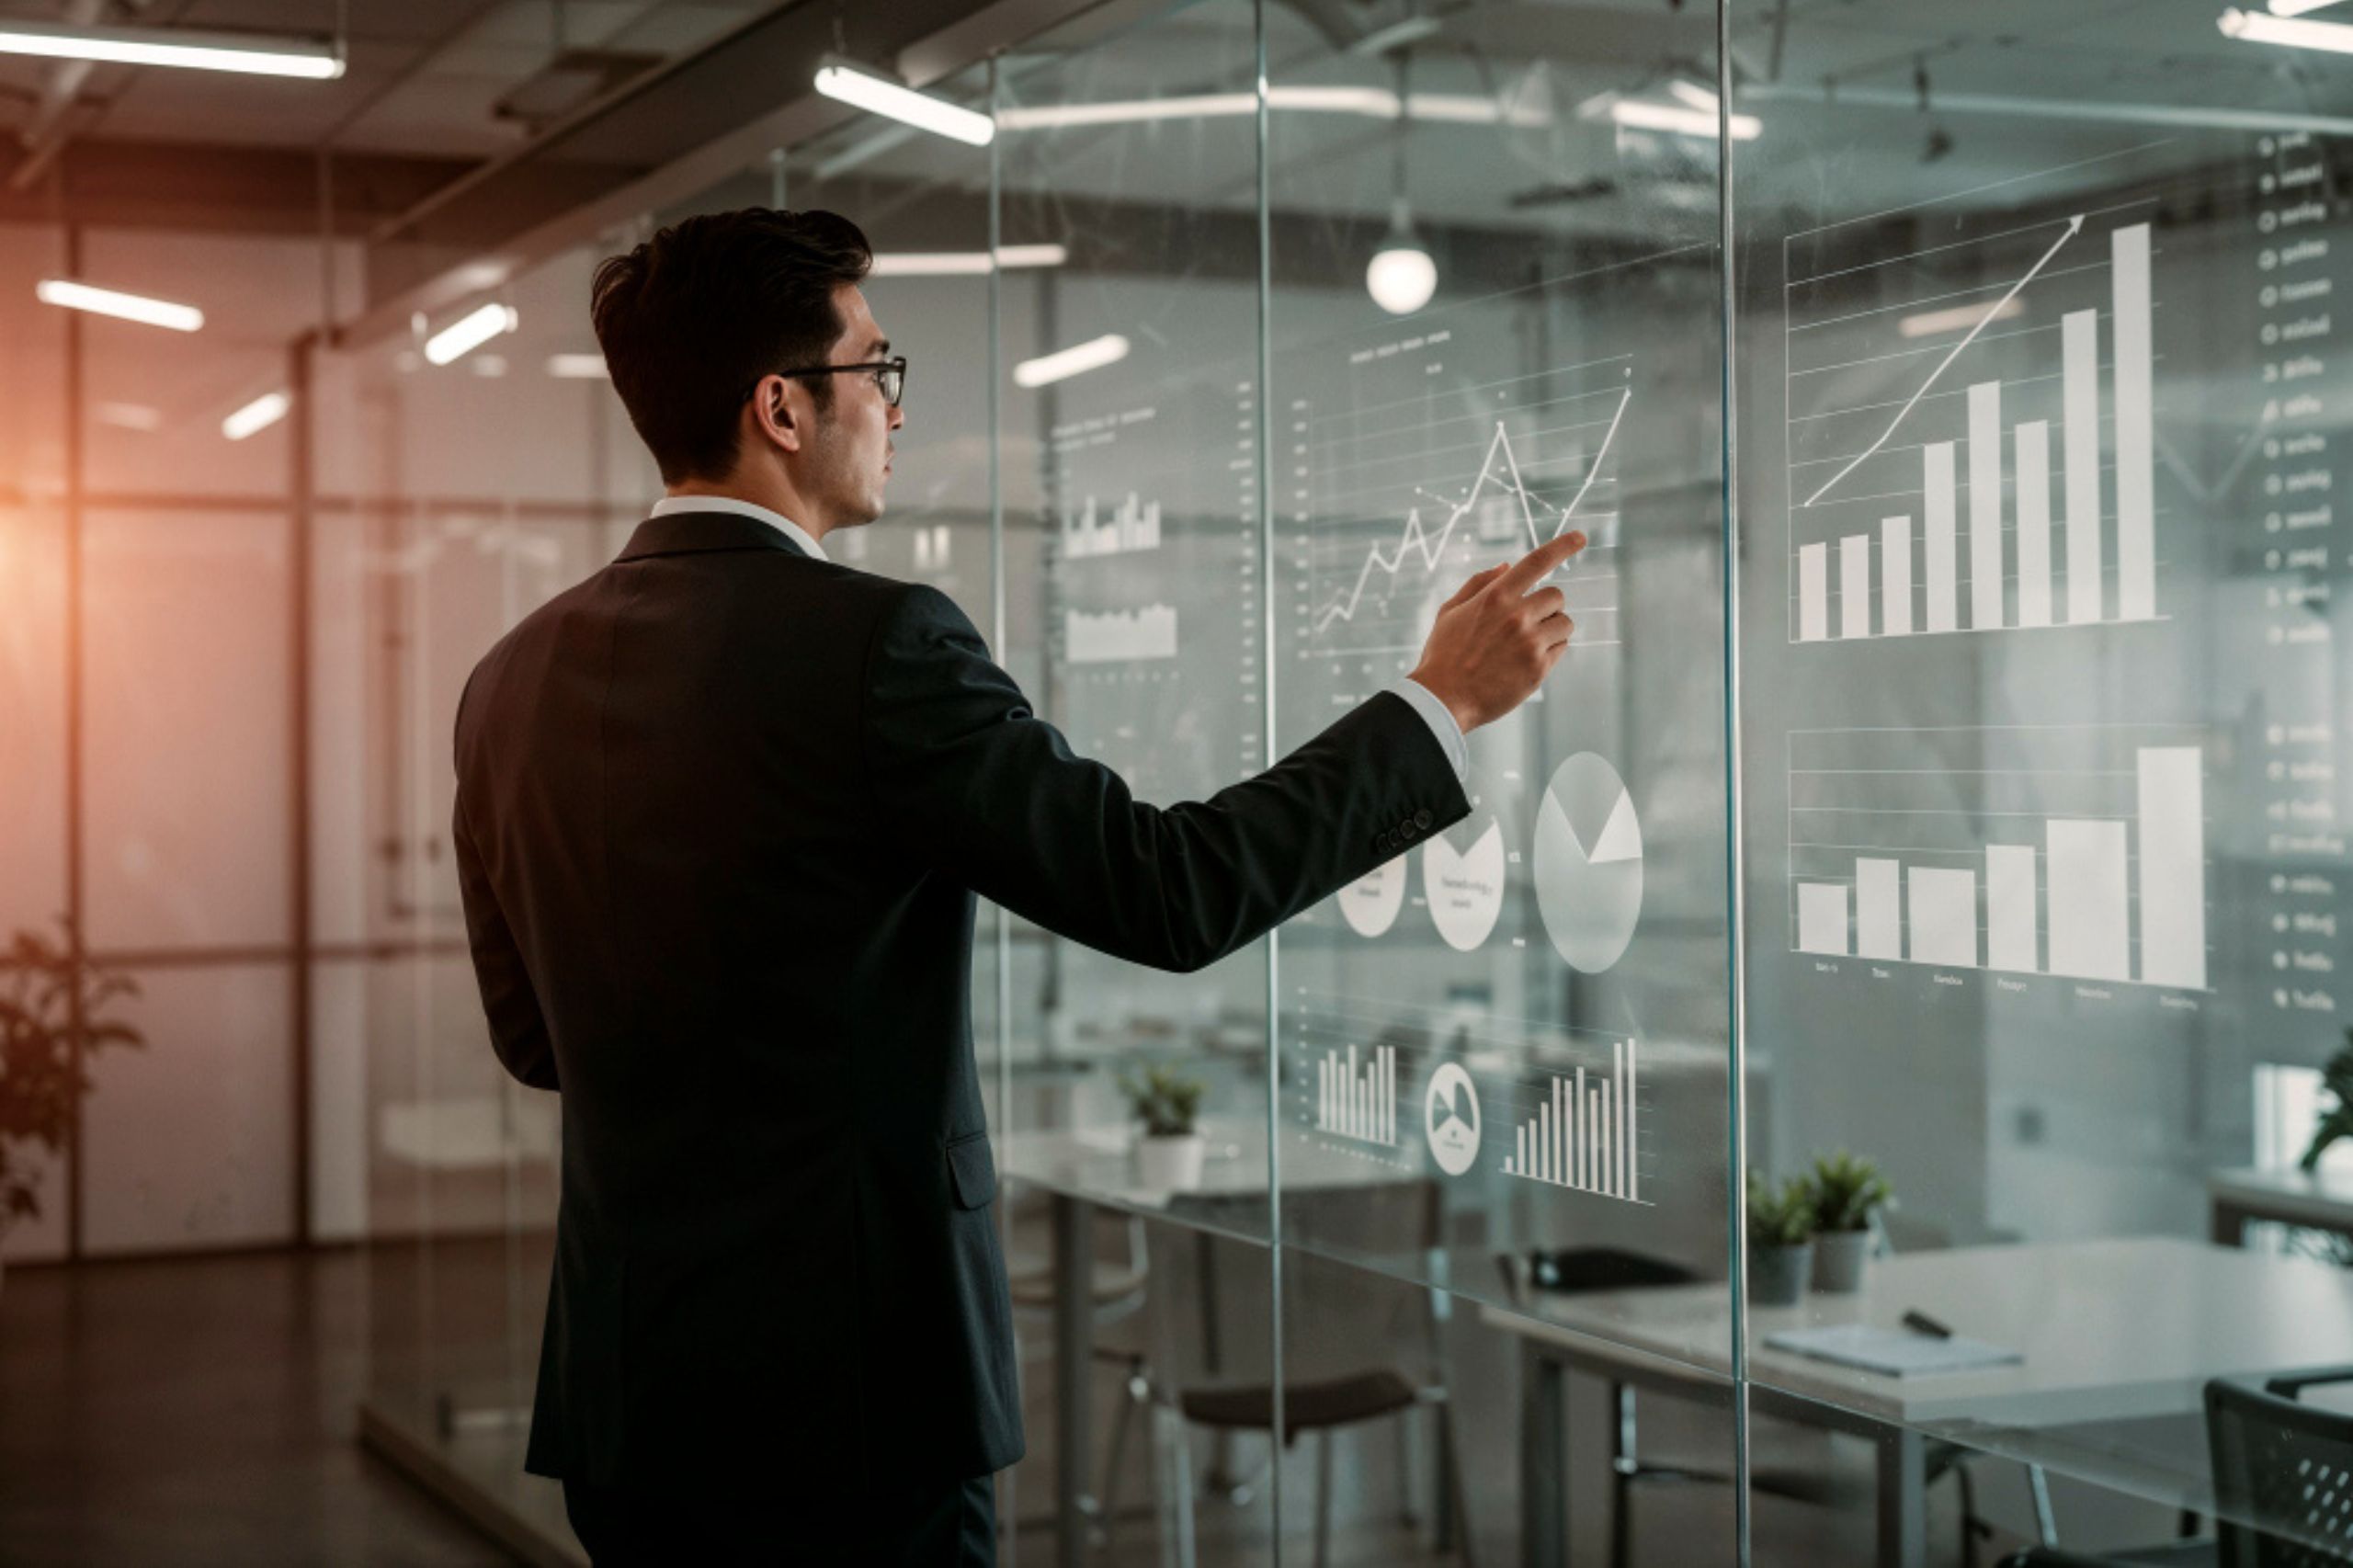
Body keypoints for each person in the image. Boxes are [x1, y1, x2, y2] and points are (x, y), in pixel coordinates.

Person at [450, 207, 1582, 1564]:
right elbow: (1167, 892)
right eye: (878, 369)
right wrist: (1437, 704)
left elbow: (536, 1042)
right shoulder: (879, 647)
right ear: (782, 408)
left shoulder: (507, 680)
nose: (897, 409)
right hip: (859, 1412)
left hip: (630, 1400)